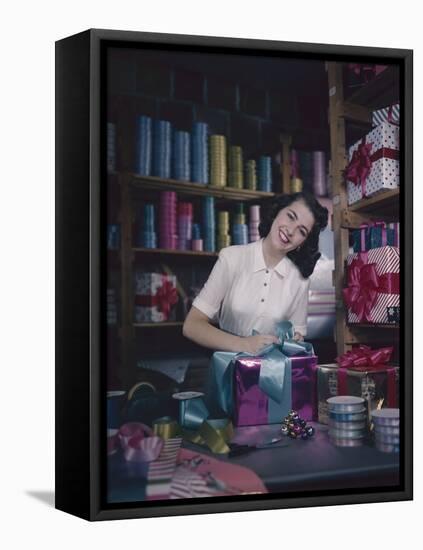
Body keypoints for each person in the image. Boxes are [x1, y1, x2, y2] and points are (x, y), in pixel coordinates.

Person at [183, 192, 329, 355]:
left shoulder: (300, 281)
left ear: (303, 242)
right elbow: (192, 326)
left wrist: (294, 341)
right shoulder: (232, 258)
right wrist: (243, 344)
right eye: (290, 216)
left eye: (301, 231)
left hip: (271, 374)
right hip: (226, 370)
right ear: (277, 212)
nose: (290, 231)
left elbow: (297, 336)